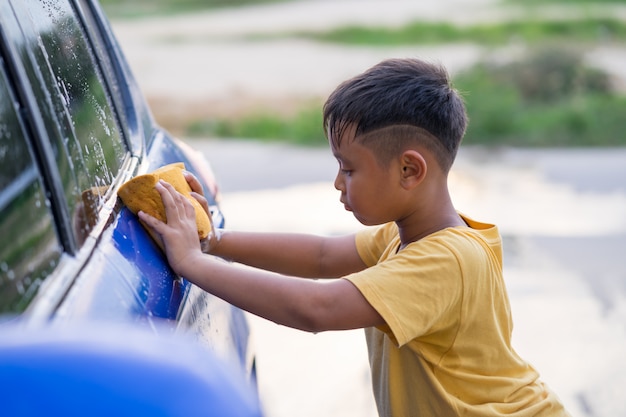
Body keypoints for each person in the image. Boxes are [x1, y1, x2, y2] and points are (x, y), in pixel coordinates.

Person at [138, 58, 570, 417]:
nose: (337, 183)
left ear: (409, 170)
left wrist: (192, 264)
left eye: (349, 169)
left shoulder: (445, 261)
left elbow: (317, 309)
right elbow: (323, 257)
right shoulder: (404, 237)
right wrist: (212, 239)